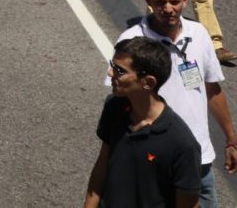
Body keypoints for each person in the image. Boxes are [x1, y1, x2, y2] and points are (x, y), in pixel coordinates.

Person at [114, 0, 237, 207]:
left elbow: (212, 91)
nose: (168, 9)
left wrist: (231, 139)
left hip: (197, 156)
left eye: (174, 1)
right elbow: (118, 97)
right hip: (152, 157)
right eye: (160, 2)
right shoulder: (132, 42)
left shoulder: (199, 34)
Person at [84, 37, 203, 208]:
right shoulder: (114, 106)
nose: (110, 73)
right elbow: (102, 167)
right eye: (113, 65)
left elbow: (188, 205)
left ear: (148, 83)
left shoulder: (182, 144)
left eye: (120, 70)